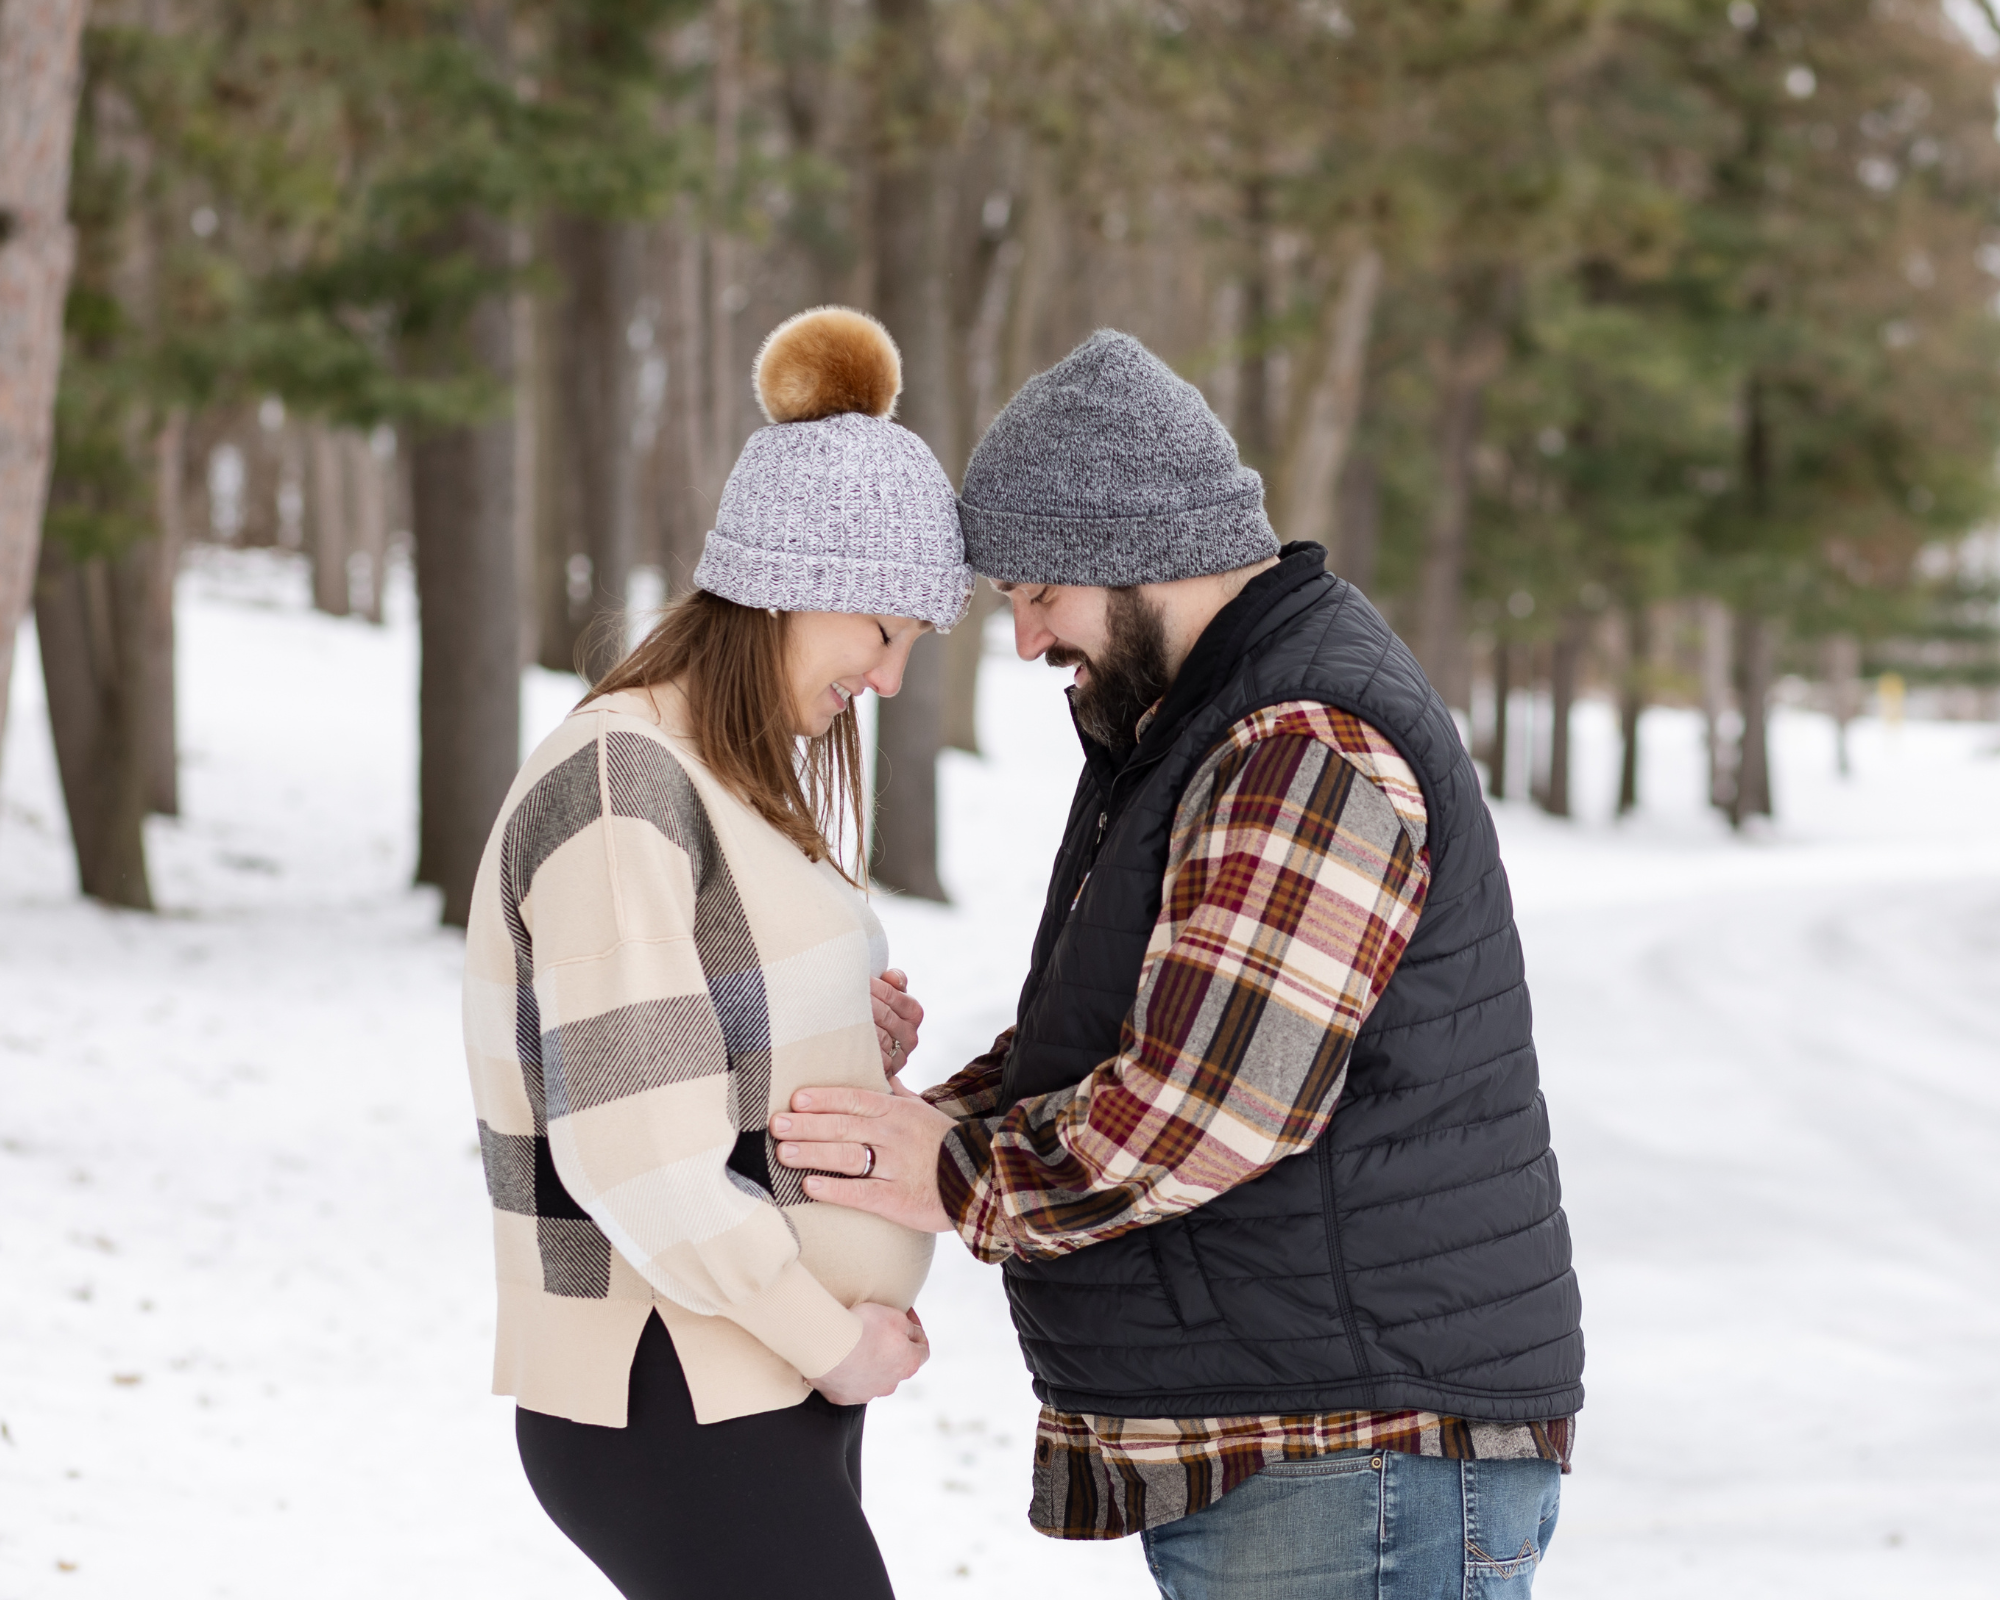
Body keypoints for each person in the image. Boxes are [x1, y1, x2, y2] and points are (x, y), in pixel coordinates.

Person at [769, 330, 1585, 1599]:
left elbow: (1214, 1101)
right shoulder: (1198, 730)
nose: (1031, 638)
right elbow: (1128, 1043)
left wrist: (953, 1171)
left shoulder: (1298, 739)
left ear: (1137, 556)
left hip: (1347, 1456)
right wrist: (920, 1121)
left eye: (1041, 593)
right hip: (1300, 1449)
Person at [459, 306, 968, 1600]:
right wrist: (828, 1339)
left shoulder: (736, 783)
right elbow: (632, 1147)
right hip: (668, 1376)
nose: (891, 679)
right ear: (796, 584)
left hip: (745, 1373)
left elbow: (703, 1041)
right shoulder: (626, 783)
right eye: (886, 629)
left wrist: (845, 1032)